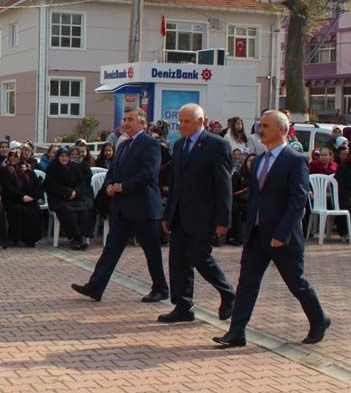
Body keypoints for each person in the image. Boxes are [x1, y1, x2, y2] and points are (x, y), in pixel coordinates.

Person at [214, 110, 330, 347]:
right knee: (247, 283)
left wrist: (282, 232)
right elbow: (255, 197)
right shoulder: (258, 161)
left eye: (266, 126)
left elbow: (298, 201)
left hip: (282, 237)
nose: (260, 130)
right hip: (256, 235)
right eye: (260, 126)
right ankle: (236, 332)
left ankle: (319, 319)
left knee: (296, 282)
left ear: (282, 130)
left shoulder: (295, 160)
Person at [71, 108, 169, 303]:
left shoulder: (150, 144)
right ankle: (95, 287)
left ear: (142, 122)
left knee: (151, 251)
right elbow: (113, 170)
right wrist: (108, 186)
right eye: (124, 119)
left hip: (144, 207)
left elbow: (149, 173)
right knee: (111, 249)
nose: (126, 122)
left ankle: (160, 288)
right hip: (123, 207)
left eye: (130, 119)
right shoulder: (123, 145)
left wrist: (123, 186)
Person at [159, 104, 236, 324]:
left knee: (200, 257)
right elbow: (175, 183)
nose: (182, 126)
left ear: (201, 121)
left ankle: (228, 293)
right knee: (178, 261)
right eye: (180, 121)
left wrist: (223, 220)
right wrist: (167, 214)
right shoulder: (180, 144)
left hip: (204, 215)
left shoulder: (217, 145)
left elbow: (223, 185)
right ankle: (183, 306)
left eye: (187, 121)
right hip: (180, 214)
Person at [43, 147, 94, 249]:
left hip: (74, 197)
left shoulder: (74, 167)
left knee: (83, 210)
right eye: (62, 156)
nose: (64, 158)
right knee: (67, 211)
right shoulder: (52, 168)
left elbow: (81, 183)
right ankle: (78, 238)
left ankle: (80, 237)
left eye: (66, 156)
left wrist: (75, 192)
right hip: (58, 198)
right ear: (58, 157)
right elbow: (50, 186)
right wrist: (67, 192)